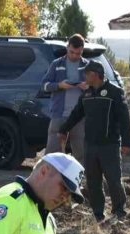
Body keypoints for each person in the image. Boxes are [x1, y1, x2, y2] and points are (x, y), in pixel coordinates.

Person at [59, 61, 130, 224]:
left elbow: (124, 119)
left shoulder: (114, 92)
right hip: (90, 145)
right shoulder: (86, 94)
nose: (84, 76)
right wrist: (64, 129)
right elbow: (76, 114)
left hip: (110, 145)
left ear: (95, 74)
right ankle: (98, 213)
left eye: (86, 73)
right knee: (93, 181)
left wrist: (126, 142)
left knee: (113, 179)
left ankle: (119, 211)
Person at [41, 34, 88, 166]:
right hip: (59, 116)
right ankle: (49, 184)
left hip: (79, 118)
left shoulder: (87, 66)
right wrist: (59, 85)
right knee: (51, 155)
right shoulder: (56, 64)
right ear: (67, 47)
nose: (74, 55)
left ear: (82, 51)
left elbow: (97, 88)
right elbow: (44, 86)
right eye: (71, 52)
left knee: (82, 154)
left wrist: (87, 87)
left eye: (78, 53)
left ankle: (80, 184)